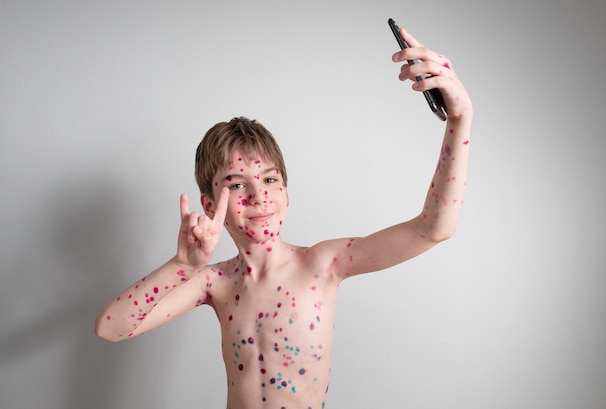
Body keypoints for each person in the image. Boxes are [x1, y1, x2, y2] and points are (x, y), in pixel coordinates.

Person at [95, 26, 472, 409]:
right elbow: (111, 328)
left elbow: (434, 228)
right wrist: (181, 265)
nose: (259, 195)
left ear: (286, 193)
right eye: (237, 185)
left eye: (270, 179)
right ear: (210, 207)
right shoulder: (214, 282)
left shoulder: (323, 264)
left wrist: (459, 119)